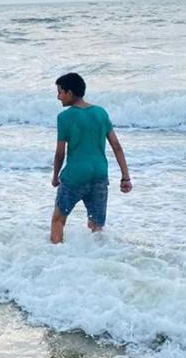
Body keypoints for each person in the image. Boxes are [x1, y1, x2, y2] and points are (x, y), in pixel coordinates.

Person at [50, 72, 131, 244]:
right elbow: (116, 146)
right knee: (96, 227)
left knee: (58, 220)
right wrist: (125, 177)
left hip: (75, 176)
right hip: (99, 175)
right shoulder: (101, 113)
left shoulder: (64, 117)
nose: (58, 96)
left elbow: (60, 153)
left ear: (70, 93)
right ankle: (98, 261)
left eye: (60, 92)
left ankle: (54, 257)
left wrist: (55, 175)